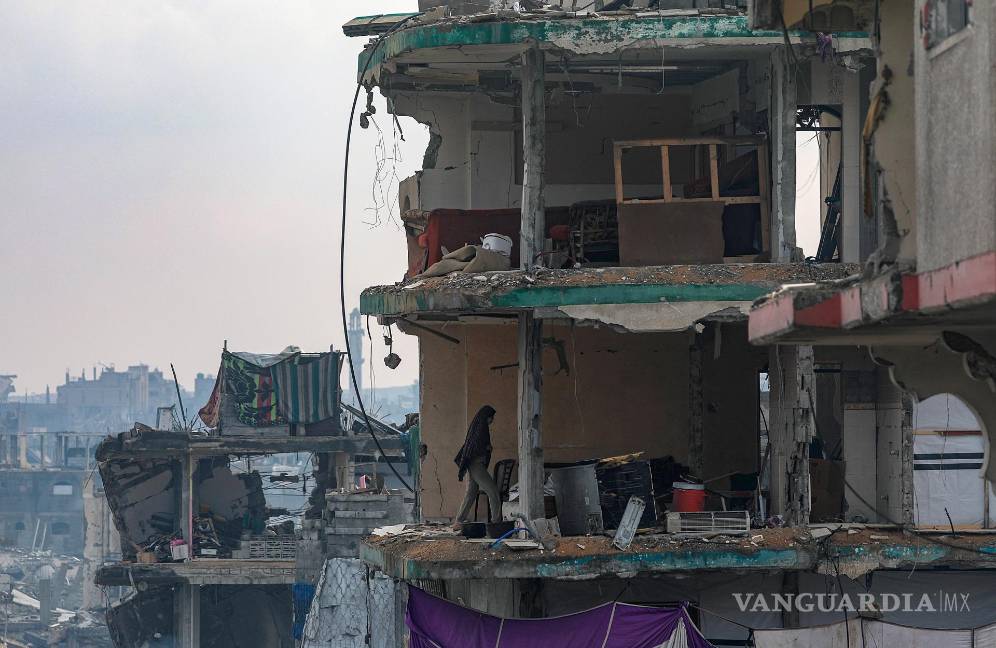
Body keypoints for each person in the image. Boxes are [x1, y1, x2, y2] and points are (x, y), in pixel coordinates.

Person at [454, 405, 501, 524]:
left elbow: (474, 445)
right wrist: (487, 447)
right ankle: (496, 522)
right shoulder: (481, 428)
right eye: (492, 417)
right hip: (476, 464)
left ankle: (459, 520)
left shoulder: (478, 427)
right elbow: (477, 446)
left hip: (473, 464)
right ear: (487, 416)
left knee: (471, 492)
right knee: (493, 491)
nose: (492, 420)